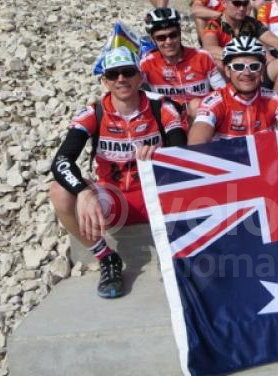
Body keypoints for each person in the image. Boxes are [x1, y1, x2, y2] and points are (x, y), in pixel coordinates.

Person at [49, 47, 187, 298]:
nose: (121, 79)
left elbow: (183, 153)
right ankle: (106, 258)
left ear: (140, 76)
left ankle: (177, 260)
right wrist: (82, 192)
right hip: (112, 198)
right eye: (113, 75)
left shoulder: (162, 107)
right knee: (59, 192)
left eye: (127, 72)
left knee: (189, 186)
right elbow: (61, 161)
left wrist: (161, 154)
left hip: (154, 196)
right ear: (105, 81)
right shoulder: (94, 113)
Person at [188, 36, 278, 143]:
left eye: (254, 66)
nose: (247, 73)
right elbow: (196, 145)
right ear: (227, 71)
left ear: (262, 70)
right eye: (238, 67)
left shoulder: (275, 99)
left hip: (265, 162)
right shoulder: (214, 102)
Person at [201, 0, 278, 98]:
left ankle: (275, 109)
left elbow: (277, 42)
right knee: (217, 63)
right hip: (234, 73)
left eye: (245, 3)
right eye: (237, 3)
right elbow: (209, 48)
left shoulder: (251, 23)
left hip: (255, 70)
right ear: (224, 3)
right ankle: (232, 102)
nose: (242, 8)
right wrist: (241, 56)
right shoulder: (214, 25)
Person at [138, 7, 224, 119]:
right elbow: (130, 91)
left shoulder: (202, 57)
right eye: (161, 38)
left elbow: (222, 92)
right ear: (153, 39)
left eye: (173, 35)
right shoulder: (147, 63)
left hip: (201, 115)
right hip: (169, 117)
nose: (168, 42)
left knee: (195, 105)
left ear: (180, 33)